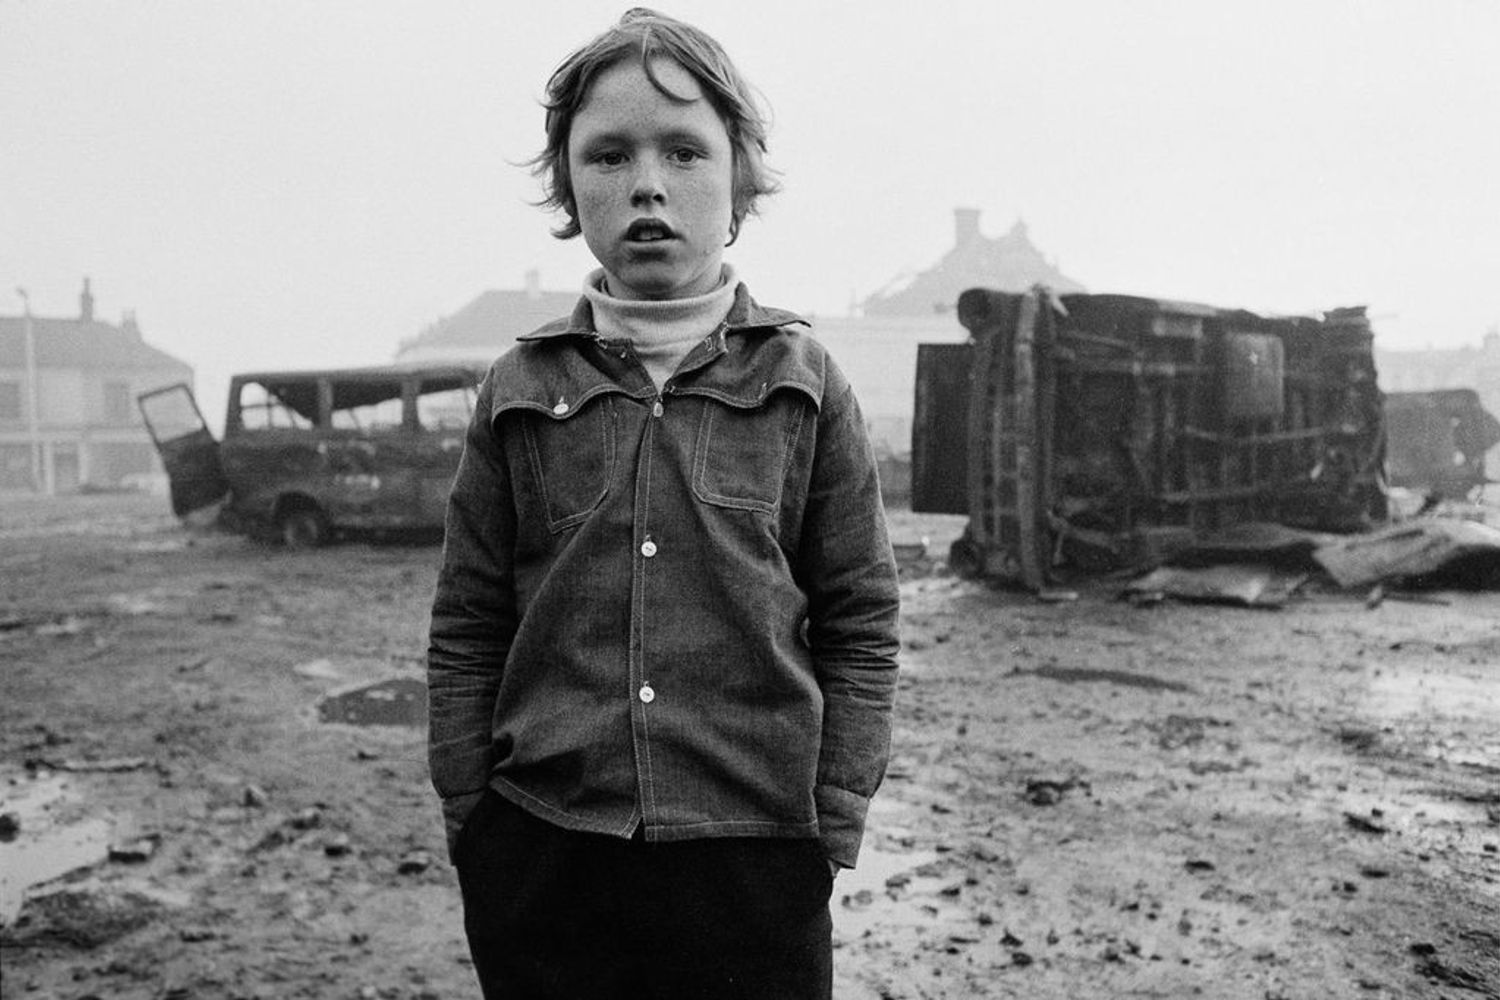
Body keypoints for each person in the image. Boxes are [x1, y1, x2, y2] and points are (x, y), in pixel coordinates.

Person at [426, 9, 901, 997]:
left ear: (740, 181)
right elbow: (469, 626)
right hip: (545, 855)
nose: (646, 183)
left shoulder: (805, 382)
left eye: (684, 150)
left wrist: (833, 816)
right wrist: (475, 817)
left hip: (754, 858)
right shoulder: (517, 389)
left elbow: (861, 620)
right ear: (569, 190)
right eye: (608, 156)